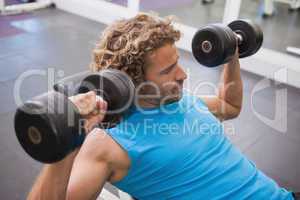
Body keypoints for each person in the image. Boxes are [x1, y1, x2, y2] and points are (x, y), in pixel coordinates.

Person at [27, 14, 297, 200]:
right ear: (134, 81)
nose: (183, 74)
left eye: (178, 62)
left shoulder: (180, 98)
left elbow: (229, 105)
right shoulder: (106, 144)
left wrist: (231, 56)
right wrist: (66, 144)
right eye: (168, 70)